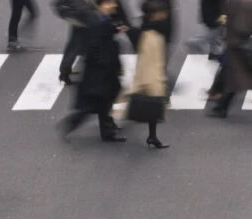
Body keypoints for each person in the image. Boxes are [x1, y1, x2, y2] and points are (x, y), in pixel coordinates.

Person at [59, 0, 128, 142]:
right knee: (97, 103)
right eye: (110, 3)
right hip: (100, 72)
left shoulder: (102, 19)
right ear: (101, 5)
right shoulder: (95, 22)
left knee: (104, 102)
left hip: (102, 71)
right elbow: (94, 45)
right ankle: (72, 122)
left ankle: (107, 130)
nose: (114, 5)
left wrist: (114, 30)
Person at [125, 0, 170, 148]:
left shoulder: (147, 29)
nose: (165, 14)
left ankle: (152, 136)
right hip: (151, 75)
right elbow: (152, 59)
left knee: (152, 106)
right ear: (154, 14)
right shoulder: (152, 33)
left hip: (148, 73)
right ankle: (152, 136)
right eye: (162, 12)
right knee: (153, 103)